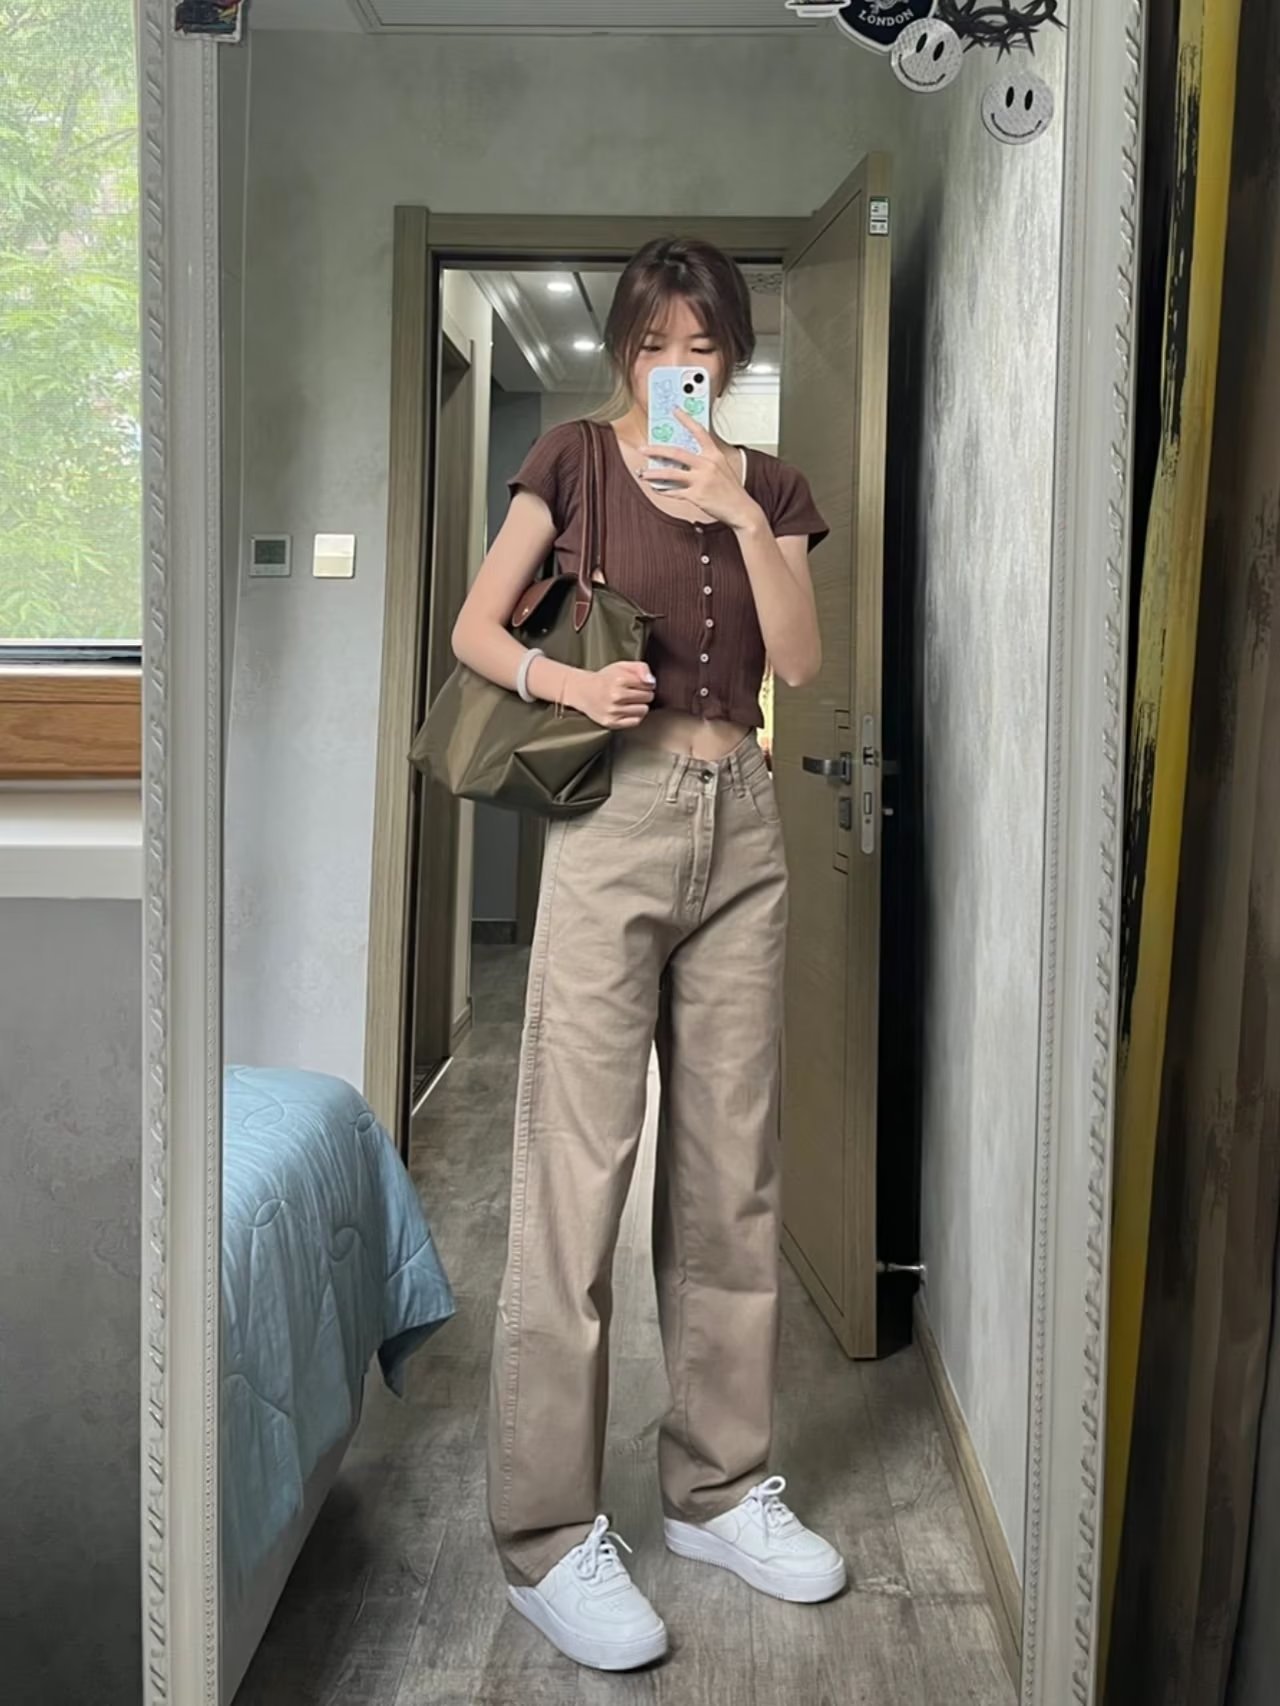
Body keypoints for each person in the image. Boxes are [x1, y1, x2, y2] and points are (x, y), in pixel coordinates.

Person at [450, 236, 846, 1672]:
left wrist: (736, 506)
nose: (680, 364)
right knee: (578, 1169)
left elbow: (798, 665)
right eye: (657, 340)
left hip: (743, 821)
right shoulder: (568, 459)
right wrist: (567, 678)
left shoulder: (773, 487)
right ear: (627, 346)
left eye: (705, 343)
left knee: (733, 1168)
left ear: (731, 355)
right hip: (614, 817)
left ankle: (720, 1489)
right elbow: (475, 628)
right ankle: (548, 1538)